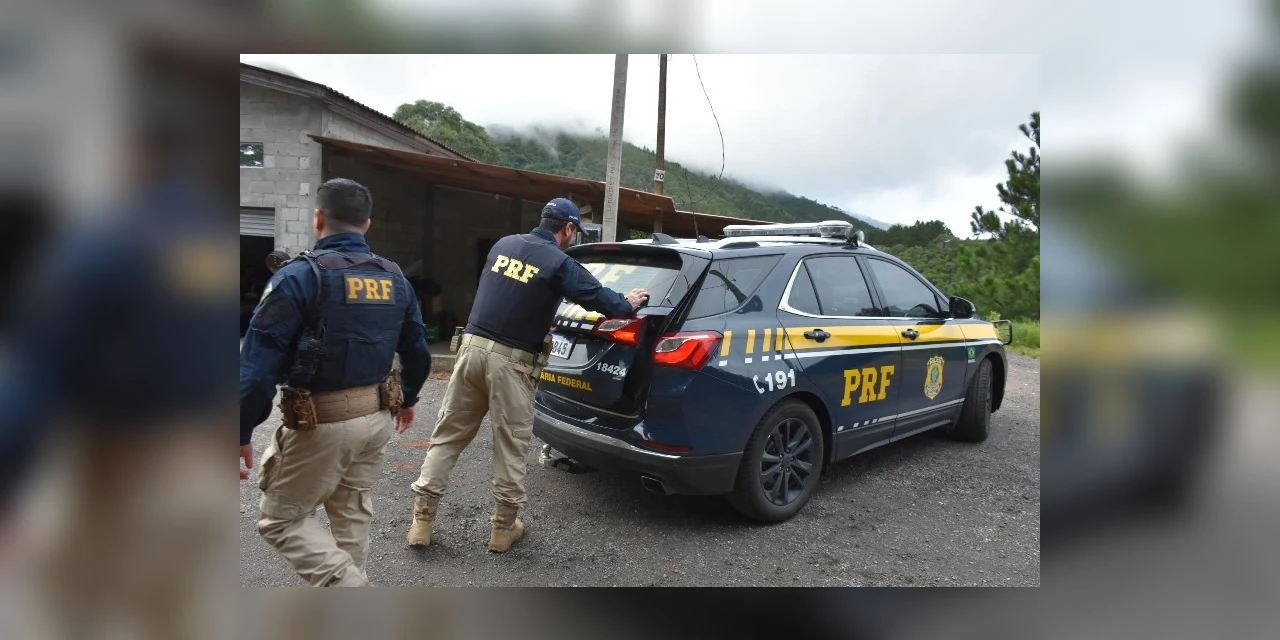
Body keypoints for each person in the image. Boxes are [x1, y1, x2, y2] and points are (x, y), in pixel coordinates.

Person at [406, 197, 648, 552]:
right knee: (511, 445)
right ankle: (503, 530)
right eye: (573, 233)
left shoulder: (503, 245)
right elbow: (601, 300)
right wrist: (629, 302)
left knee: (448, 436)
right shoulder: (559, 262)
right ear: (567, 229)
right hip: (512, 362)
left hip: (470, 350)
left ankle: (421, 521)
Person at [239, 178, 431, 587]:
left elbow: (256, 369)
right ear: (368, 224)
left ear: (319, 217)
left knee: (282, 522)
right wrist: (409, 397)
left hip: (322, 424)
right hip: (376, 419)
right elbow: (418, 351)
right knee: (351, 517)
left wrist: (240, 428)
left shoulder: (299, 277)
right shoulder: (395, 277)